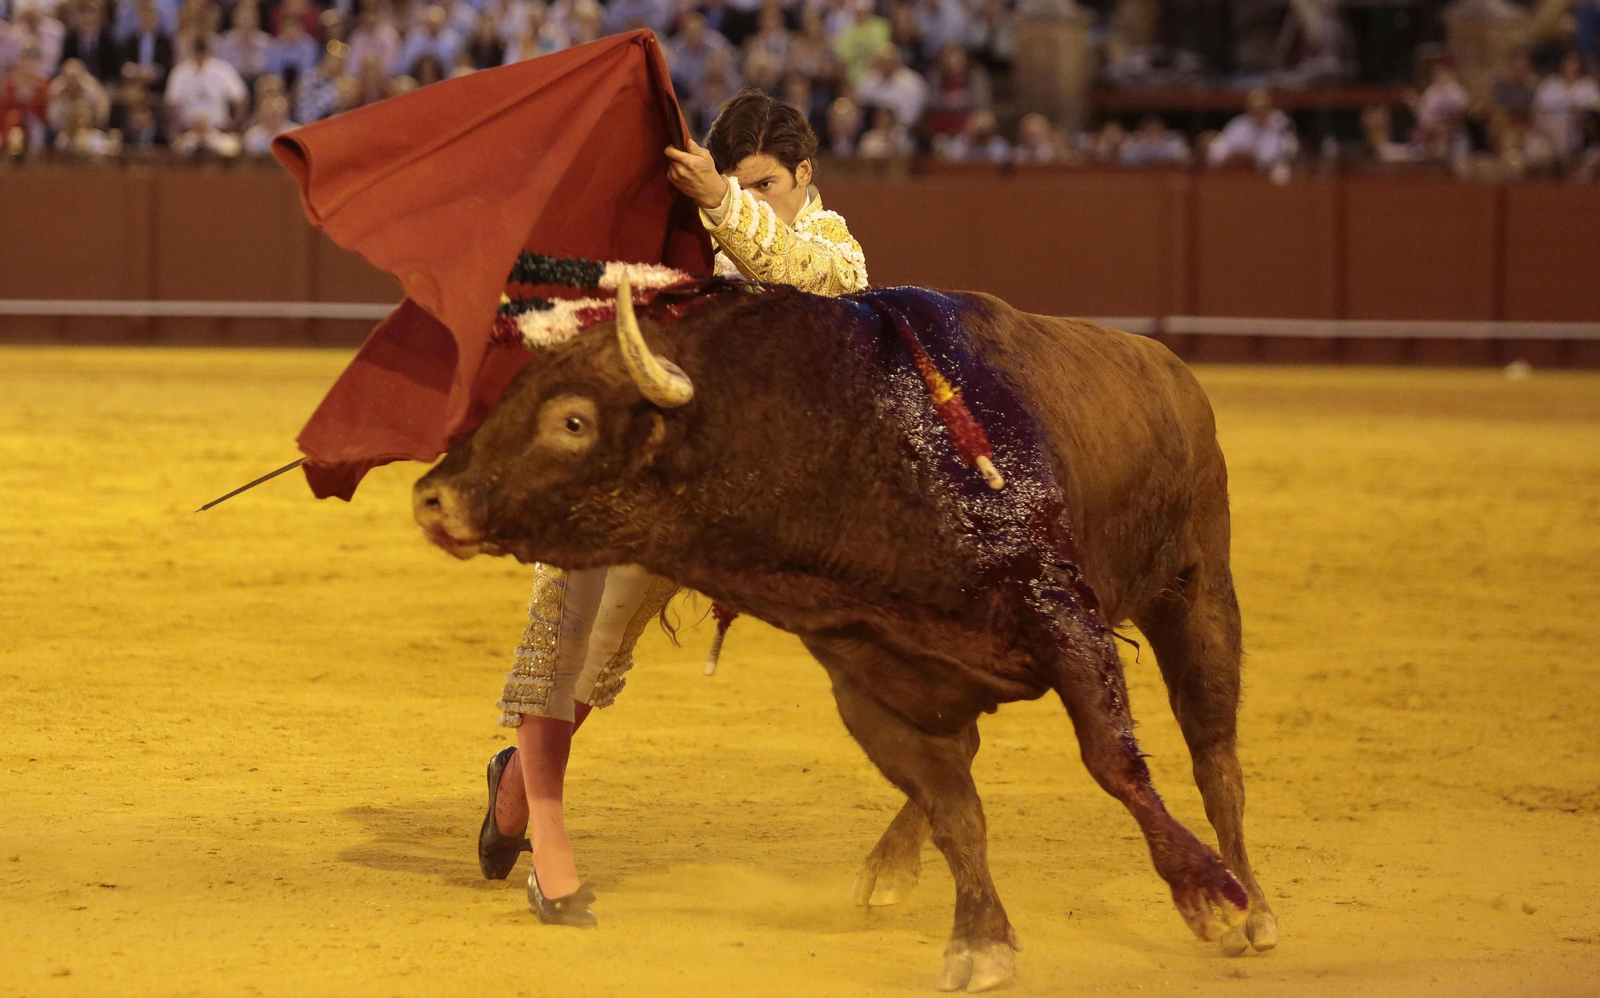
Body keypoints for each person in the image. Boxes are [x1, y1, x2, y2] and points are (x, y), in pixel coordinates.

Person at [480, 87, 868, 928]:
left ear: (804, 176)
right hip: (657, 487)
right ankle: (529, 816)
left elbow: (818, 283)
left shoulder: (830, 245)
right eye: (740, 184)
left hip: (776, 512)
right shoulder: (690, 244)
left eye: (767, 184)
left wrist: (725, 204)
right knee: (577, 646)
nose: (754, 197)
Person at [164, 33, 245, 131]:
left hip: (218, 130)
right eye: (197, 52)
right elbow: (171, 103)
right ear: (192, 52)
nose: (200, 55)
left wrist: (234, 126)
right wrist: (176, 128)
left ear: (208, 51)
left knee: (229, 146)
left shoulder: (223, 70)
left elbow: (240, 98)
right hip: (188, 130)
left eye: (202, 52)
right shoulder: (180, 72)